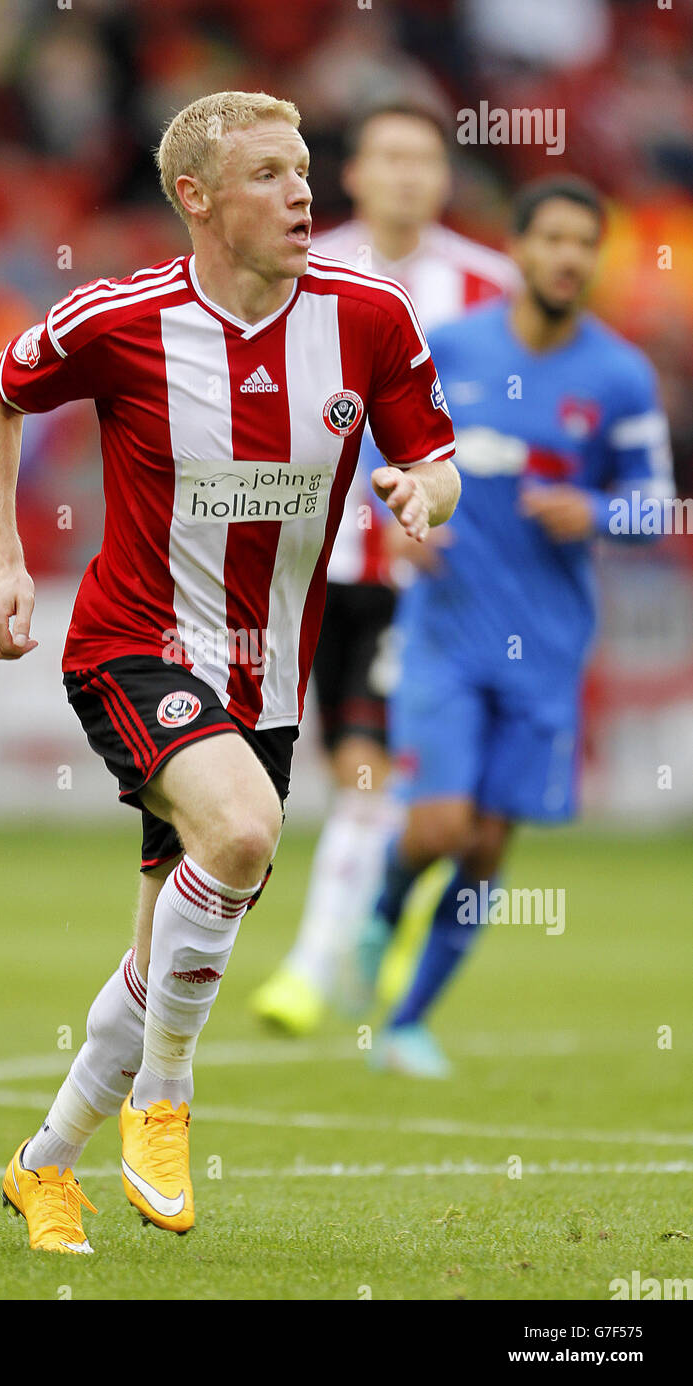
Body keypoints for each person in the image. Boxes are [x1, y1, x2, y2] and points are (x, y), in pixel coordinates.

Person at [0, 90, 460, 1253]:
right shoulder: (120, 318)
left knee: (163, 949)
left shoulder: (369, 319)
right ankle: (167, 1097)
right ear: (195, 197)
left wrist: (420, 491)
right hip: (133, 644)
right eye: (269, 175)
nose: (302, 194)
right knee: (239, 835)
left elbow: (434, 460)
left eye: (303, 170)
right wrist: (2, 559)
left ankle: (43, 1167)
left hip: (265, 681)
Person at [357, 176, 673, 1078]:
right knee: (439, 827)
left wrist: (598, 512)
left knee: (487, 848)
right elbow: (380, 447)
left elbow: (656, 507)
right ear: (520, 249)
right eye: (553, 240)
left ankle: (408, 1022)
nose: (569, 257)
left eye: (585, 243)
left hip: (545, 645)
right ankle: (379, 915)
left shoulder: (617, 377)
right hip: (447, 631)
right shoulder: (449, 349)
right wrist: (398, 515)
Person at [252, 100, 517, 1035]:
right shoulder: (305, 270)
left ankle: (321, 966)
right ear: (352, 176)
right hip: (340, 570)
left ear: (444, 178)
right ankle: (355, 949)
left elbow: (508, 427)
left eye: (424, 159)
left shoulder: (493, 287)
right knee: (361, 776)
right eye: (387, 157)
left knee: (436, 792)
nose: (406, 174)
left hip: (456, 581)